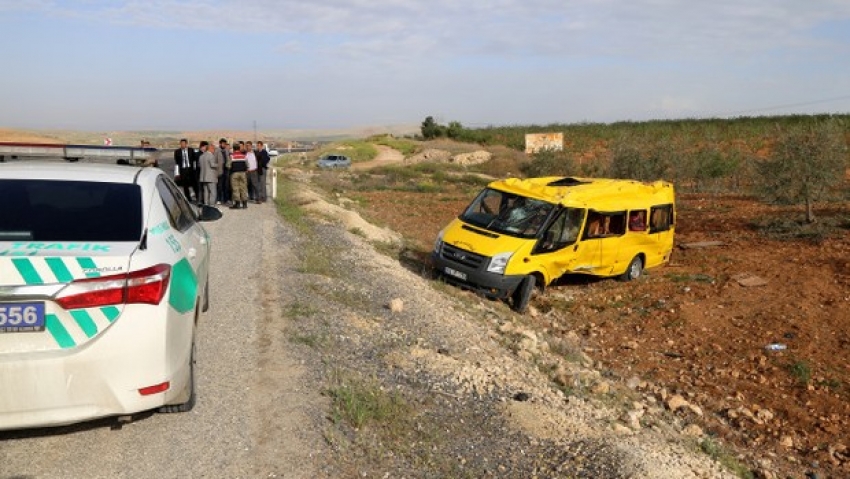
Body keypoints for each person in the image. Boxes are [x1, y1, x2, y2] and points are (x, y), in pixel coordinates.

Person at [229, 141, 249, 209]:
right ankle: (244, 204)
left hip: (234, 174)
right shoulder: (244, 156)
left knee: (235, 188)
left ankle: (237, 204)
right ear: (239, 148)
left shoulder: (231, 156)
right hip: (243, 173)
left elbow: (228, 165)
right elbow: (247, 165)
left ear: (234, 149)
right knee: (243, 188)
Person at [198, 141, 218, 206]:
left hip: (203, 177)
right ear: (210, 148)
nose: (214, 150)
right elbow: (212, 165)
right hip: (211, 177)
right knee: (213, 192)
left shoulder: (201, 156)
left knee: (206, 192)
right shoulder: (211, 155)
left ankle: (206, 204)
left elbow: (199, 165)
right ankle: (211, 205)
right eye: (214, 149)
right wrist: (218, 165)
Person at [214, 138, 230, 205]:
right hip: (220, 171)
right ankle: (219, 199)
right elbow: (214, 161)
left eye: (225, 144)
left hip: (226, 170)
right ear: (220, 144)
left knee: (226, 186)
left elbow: (228, 159)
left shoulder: (226, 151)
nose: (224, 145)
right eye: (223, 144)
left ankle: (226, 200)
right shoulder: (217, 151)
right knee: (219, 186)